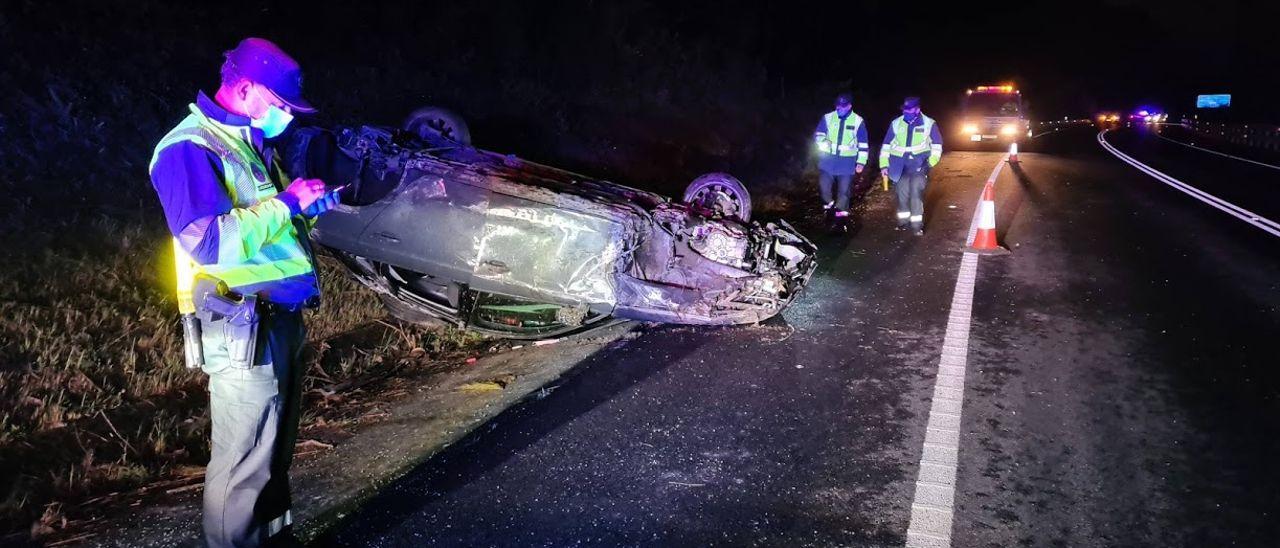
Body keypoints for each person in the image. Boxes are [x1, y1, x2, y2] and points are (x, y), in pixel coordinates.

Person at [147, 37, 339, 547]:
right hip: (242, 326)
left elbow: (262, 227)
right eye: (280, 105)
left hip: (278, 320)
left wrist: (305, 206)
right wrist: (288, 205)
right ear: (246, 88)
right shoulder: (189, 147)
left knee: (271, 454)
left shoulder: (245, 143)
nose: (287, 118)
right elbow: (208, 241)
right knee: (243, 464)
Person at [879, 97, 943, 235]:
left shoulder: (928, 123)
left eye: (909, 109)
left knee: (916, 193)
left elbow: (937, 146)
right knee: (901, 194)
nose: (906, 112)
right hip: (899, 165)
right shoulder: (896, 123)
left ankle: (916, 226)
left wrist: (930, 163)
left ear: (917, 109)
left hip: (919, 165)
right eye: (905, 109)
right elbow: (886, 146)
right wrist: (884, 165)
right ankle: (903, 222)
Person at [813, 93, 868, 219]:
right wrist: (823, 143)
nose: (839, 109)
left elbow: (863, 144)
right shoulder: (828, 118)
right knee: (824, 188)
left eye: (842, 106)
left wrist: (861, 162)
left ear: (849, 106)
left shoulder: (858, 121)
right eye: (837, 106)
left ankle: (841, 218)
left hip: (847, 162)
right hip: (827, 160)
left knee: (844, 191)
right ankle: (829, 207)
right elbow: (819, 134)